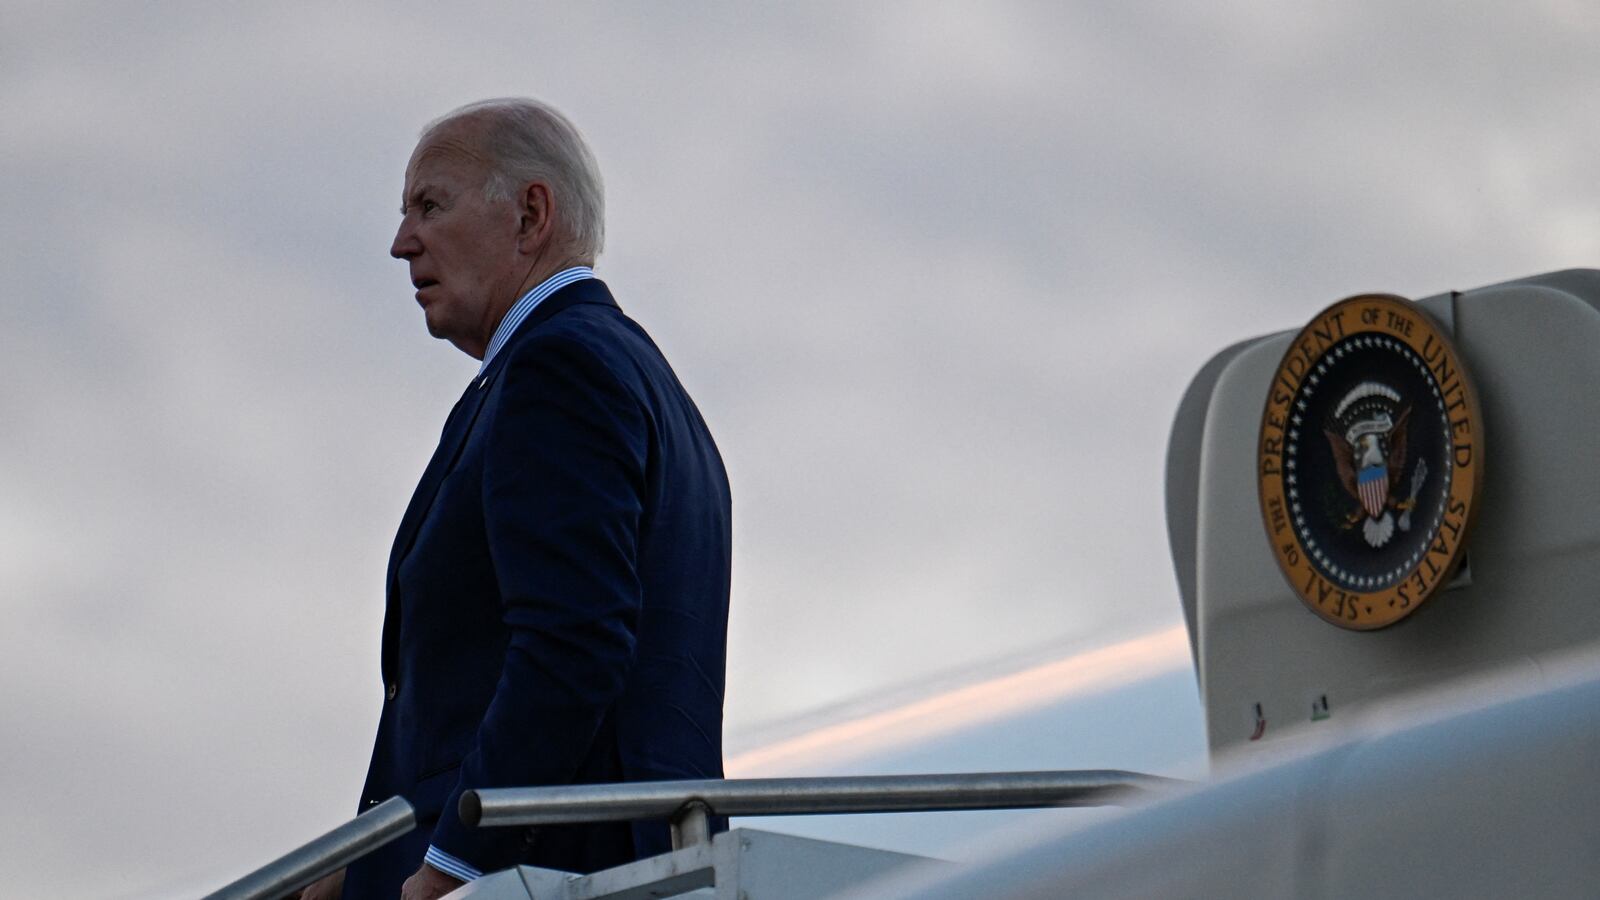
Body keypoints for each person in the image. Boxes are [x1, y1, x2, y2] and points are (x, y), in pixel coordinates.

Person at [302, 98, 732, 900]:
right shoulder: (636, 379)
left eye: (431, 204)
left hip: (542, 877)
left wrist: (451, 866)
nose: (401, 243)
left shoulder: (558, 370)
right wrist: (354, 867)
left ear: (531, 214)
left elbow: (573, 645)